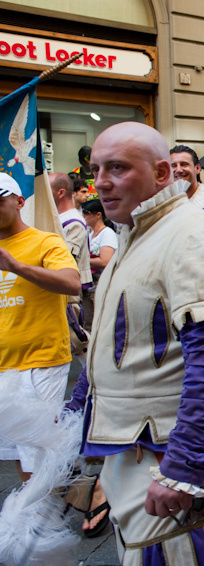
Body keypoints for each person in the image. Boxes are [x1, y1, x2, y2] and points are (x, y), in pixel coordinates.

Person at [63, 122, 204, 564]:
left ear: (164, 172)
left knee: (169, 555)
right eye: (96, 169)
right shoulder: (137, 231)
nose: (101, 182)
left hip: (164, 442)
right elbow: (113, 340)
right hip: (140, 436)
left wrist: (182, 468)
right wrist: (75, 409)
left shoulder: (194, 236)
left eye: (118, 168)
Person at [0, 172, 81, 481]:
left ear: (19, 202)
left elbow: (72, 283)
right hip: (4, 364)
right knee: (20, 452)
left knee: (38, 453)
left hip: (42, 360)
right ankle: (43, 514)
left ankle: (84, 494)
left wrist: (17, 267)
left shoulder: (45, 241)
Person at [50, 172, 93, 360]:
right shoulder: (57, 219)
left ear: (60, 192)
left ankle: (93, 381)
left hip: (67, 291)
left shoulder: (72, 222)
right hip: (58, 288)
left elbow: (67, 259)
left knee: (76, 340)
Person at [81, 198, 118, 277]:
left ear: (98, 215)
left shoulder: (107, 233)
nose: (83, 216)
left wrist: (82, 260)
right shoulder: (90, 233)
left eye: (86, 212)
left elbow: (105, 261)